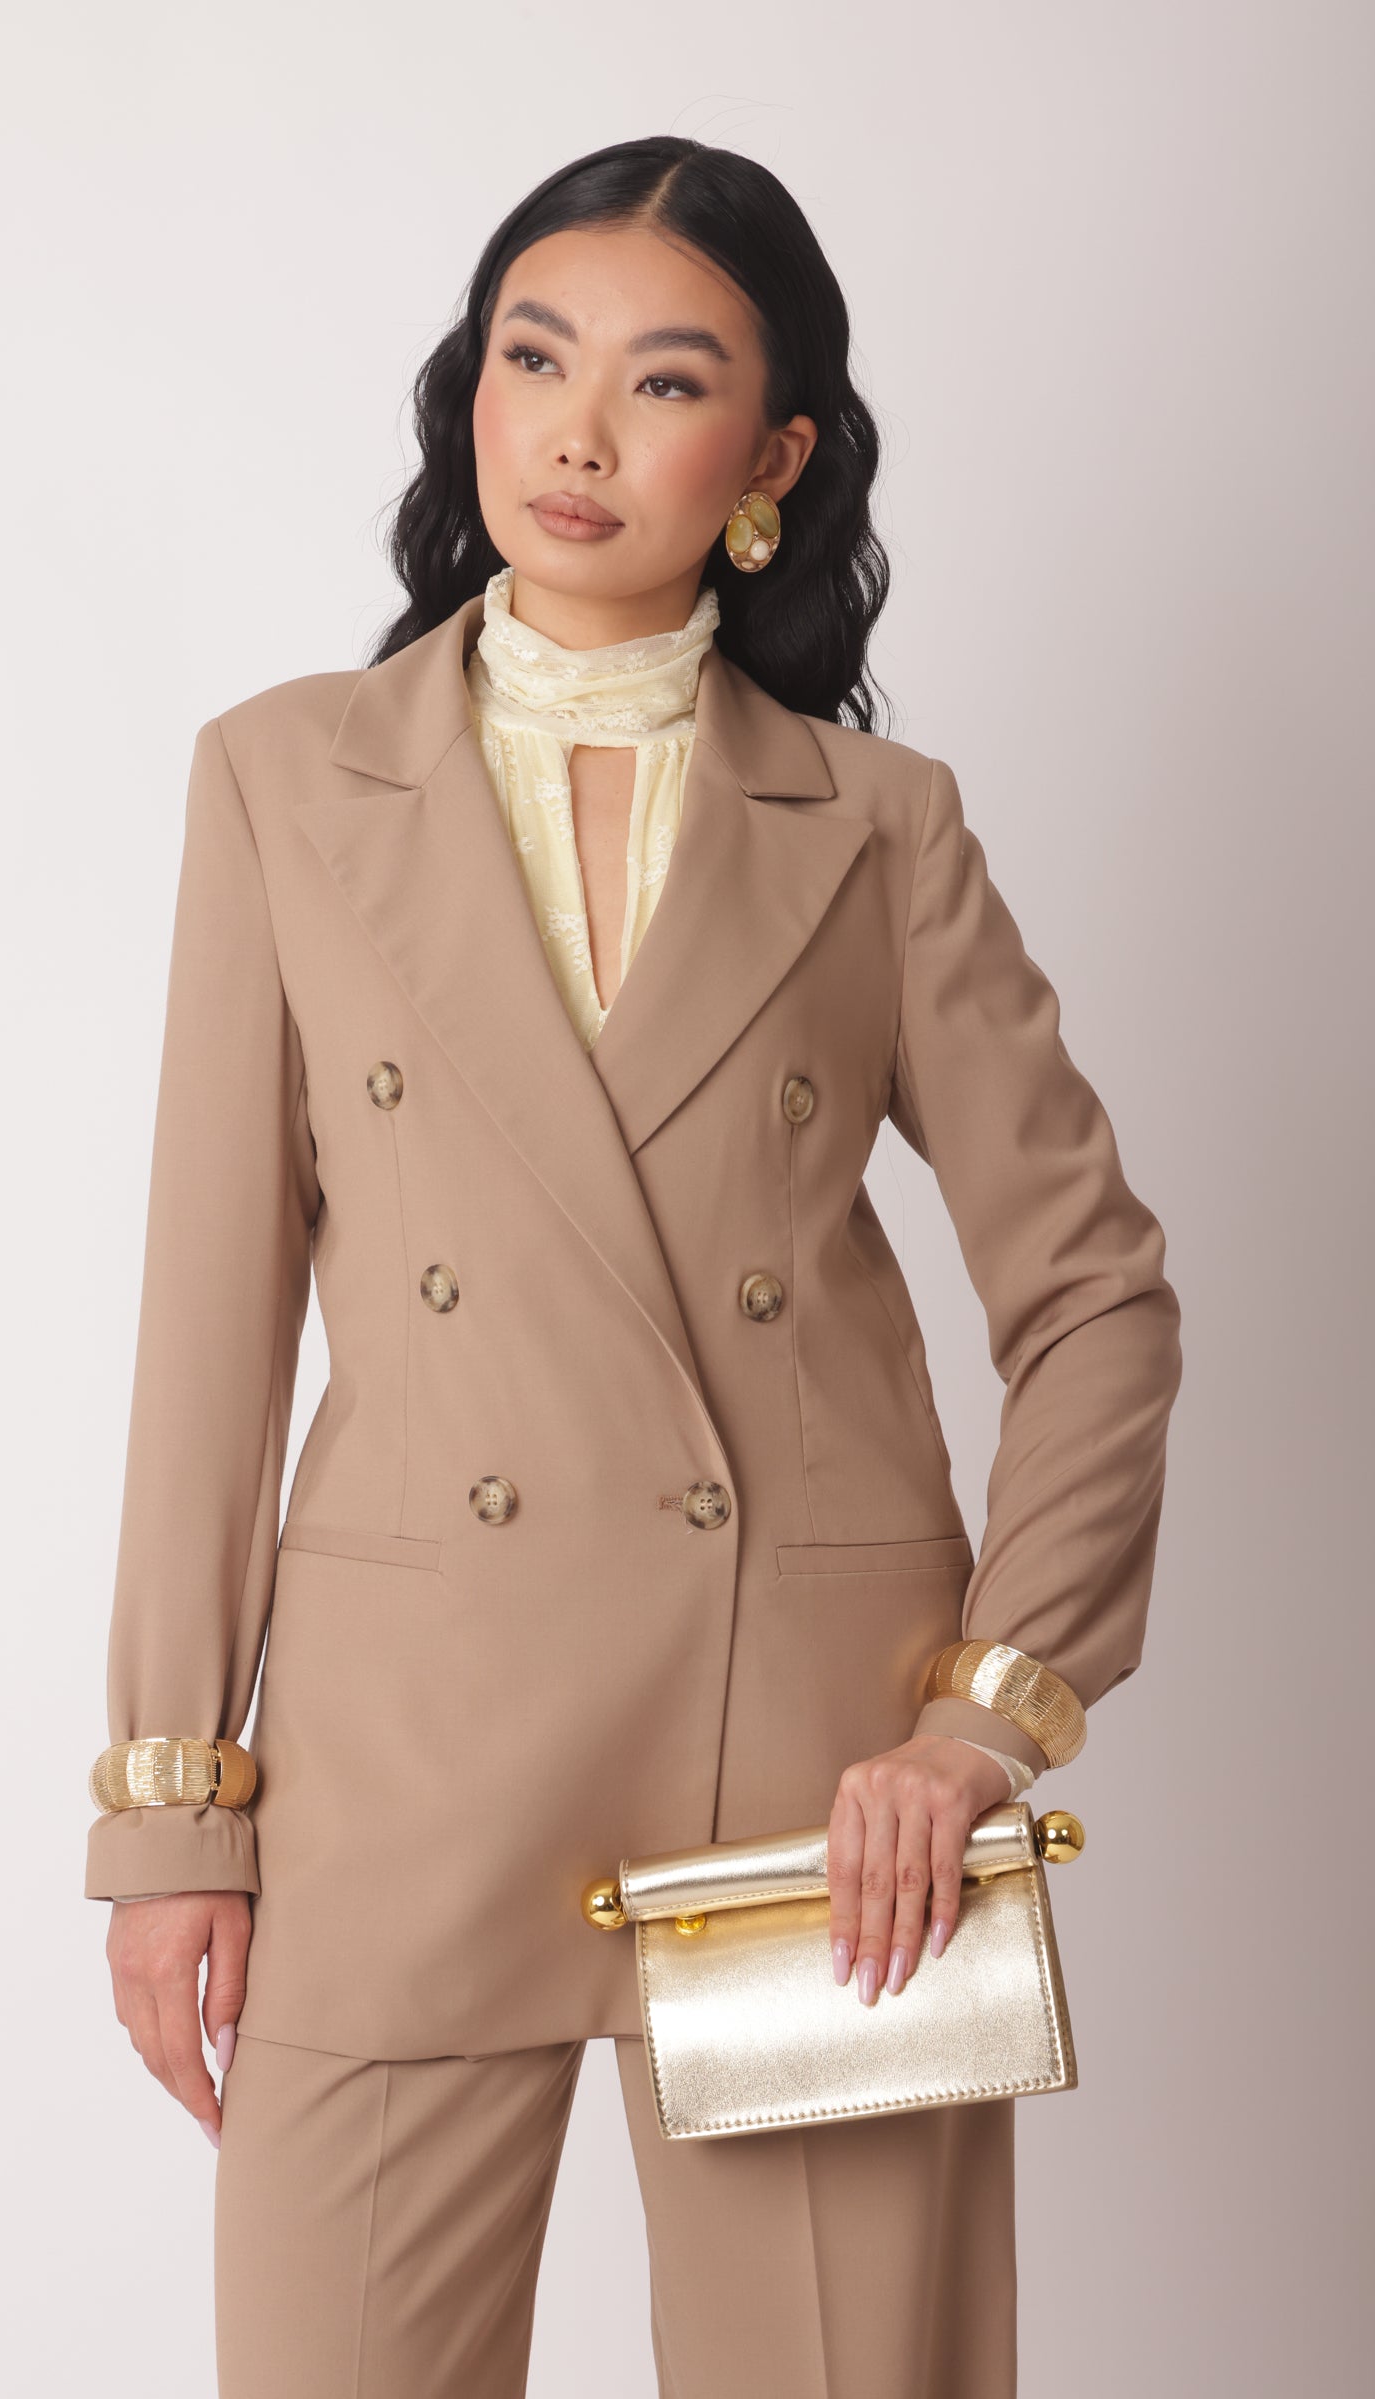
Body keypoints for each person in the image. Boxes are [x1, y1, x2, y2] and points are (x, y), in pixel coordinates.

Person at [84, 135, 1183, 2397]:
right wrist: (171, 1804)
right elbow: (210, 1329)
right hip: (400, 1756)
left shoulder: (879, 828)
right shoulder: (281, 781)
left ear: (770, 461)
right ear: (469, 395)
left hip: (819, 1784)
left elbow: (1093, 1297)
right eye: (533, 358)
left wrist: (973, 1727)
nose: (578, 432)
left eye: (664, 382)